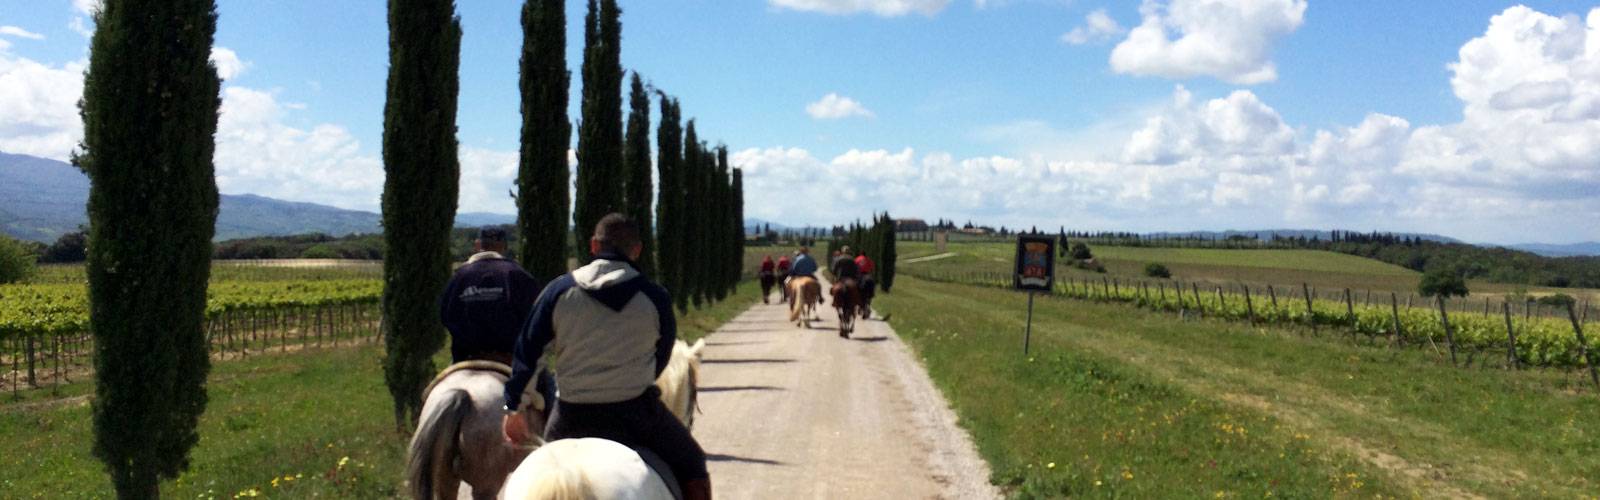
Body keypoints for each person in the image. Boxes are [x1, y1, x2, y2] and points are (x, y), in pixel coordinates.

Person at [501, 214, 711, 500]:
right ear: (637, 249)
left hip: (570, 415)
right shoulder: (654, 298)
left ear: (593, 245)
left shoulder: (558, 292)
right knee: (693, 464)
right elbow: (659, 358)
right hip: (637, 414)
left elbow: (527, 352)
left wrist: (515, 407)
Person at [438, 227, 541, 364]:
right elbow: (536, 314)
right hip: (512, 355)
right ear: (503, 246)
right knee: (546, 382)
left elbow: (445, 314)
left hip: (465, 356)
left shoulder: (460, 276)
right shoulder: (516, 274)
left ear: (477, 245)